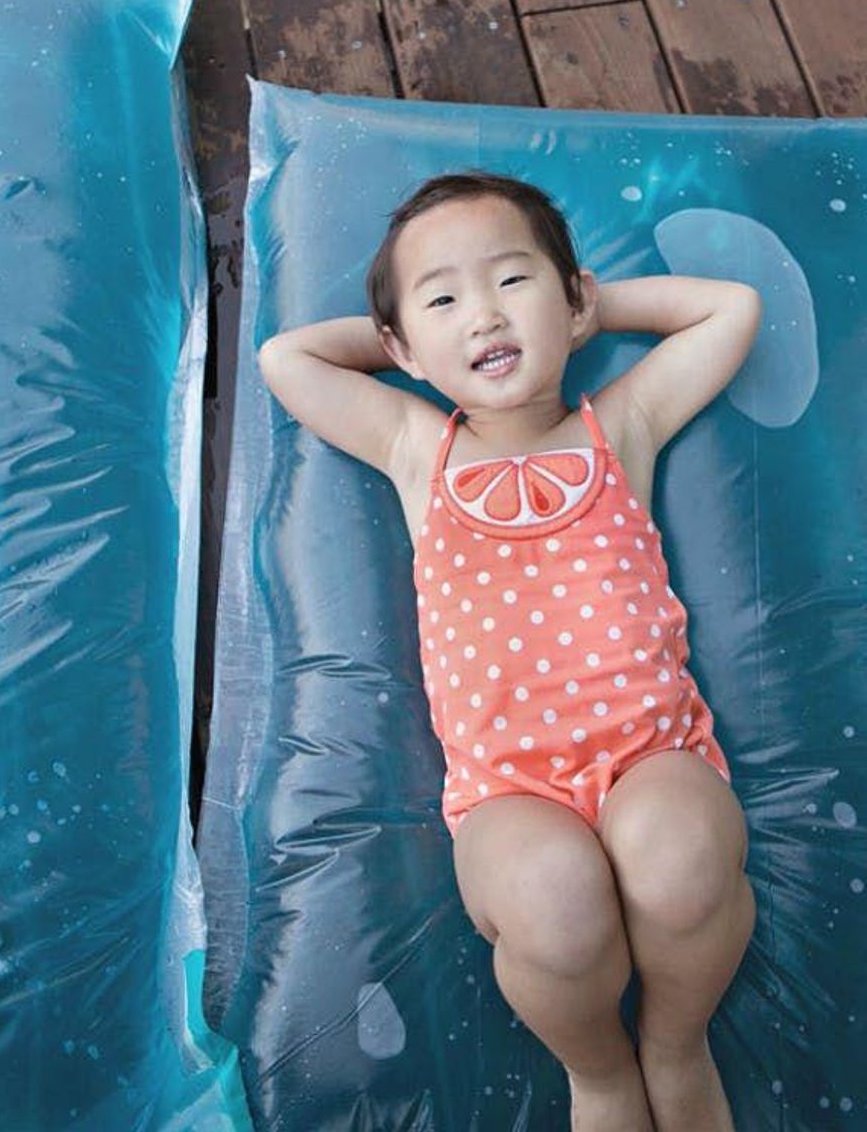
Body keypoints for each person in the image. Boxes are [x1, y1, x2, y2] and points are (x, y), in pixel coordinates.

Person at [258, 170, 761, 1132]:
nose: (484, 314)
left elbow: (728, 310)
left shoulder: (618, 425)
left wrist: (587, 303)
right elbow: (290, 359)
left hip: (655, 753)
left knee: (685, 856)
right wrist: (413, 340)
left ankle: (674, 1038)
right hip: (507, 790)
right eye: (445, 297)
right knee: (553, 900)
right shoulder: (421, 447)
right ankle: (603, 1067)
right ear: (403, 345)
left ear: (571, 300)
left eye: (512, 283)